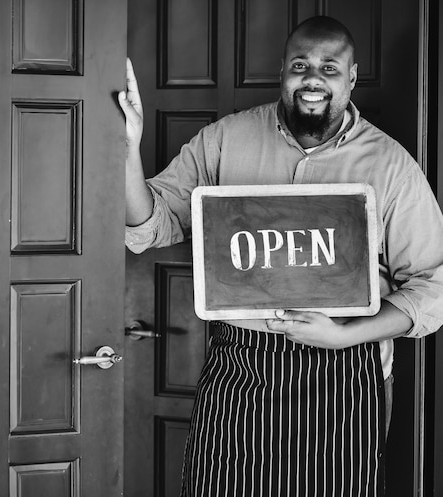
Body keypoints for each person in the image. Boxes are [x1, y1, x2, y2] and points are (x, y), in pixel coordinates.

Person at [119, 16, 443, 497]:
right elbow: (151, 225)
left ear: (351, 78)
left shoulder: (390, 164)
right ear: (282, 73)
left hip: (345, 374)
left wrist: (343, 336)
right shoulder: (226, 140)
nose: (313, 78)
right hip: (242, 370)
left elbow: (431, 289)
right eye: (301, 65)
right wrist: (127, 149)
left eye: (330, 67)